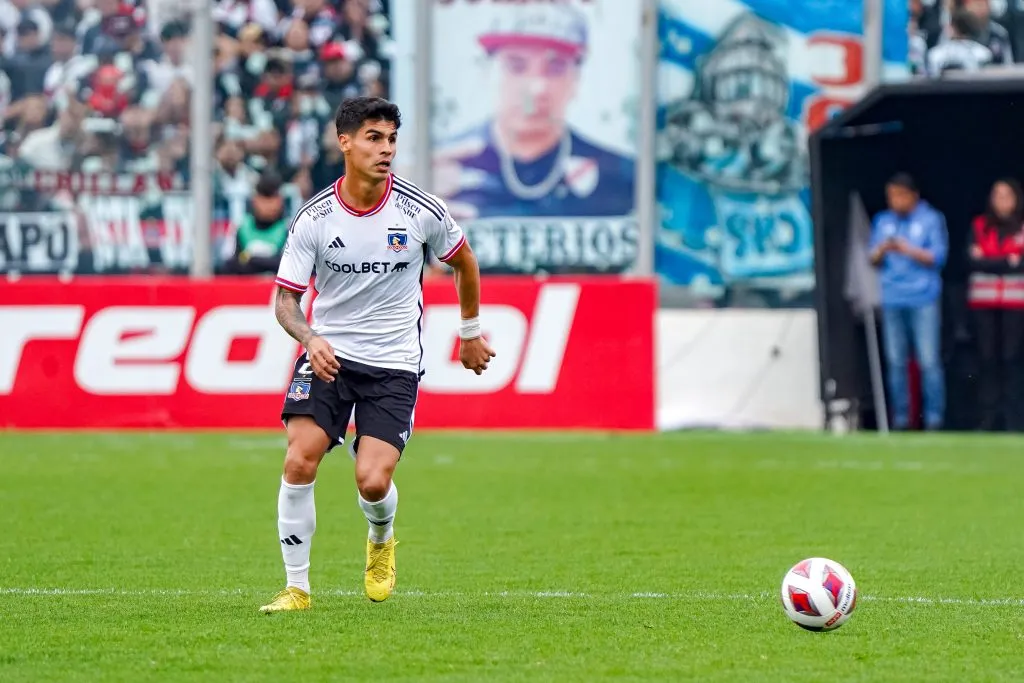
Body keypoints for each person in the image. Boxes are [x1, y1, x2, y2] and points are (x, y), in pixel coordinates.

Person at [260, 96, 496, 613]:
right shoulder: (314, 218)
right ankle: (296, 588)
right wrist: (310, 339)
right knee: (300, 458)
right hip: (329, 357)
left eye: (391, 139)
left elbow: (465, 261)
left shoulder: (419, 210)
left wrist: (471, 332)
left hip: (392, 364)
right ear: (344, 141)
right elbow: (286, 300)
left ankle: (381, 538)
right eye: (373, 137)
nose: (385, 148)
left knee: (371, 479)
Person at [432, 3, 634, 219]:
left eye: (556, 68)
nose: (537, 88)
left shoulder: (623, 176)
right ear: (485, 72)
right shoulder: (438, 167)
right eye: (516, 66)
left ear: (576, 79)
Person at [869, 173, 949, 431]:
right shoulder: (882, 221)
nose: (895, 201)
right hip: (892, 298)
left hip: (923, 297)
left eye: (900, 195)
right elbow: (872, 260)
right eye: (891, 196)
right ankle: (900, 419)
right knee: (895, 362)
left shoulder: (931, 219)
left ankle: (934, 418)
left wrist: (907, 249)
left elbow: (938, 257)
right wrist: (882, 250)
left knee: (928, 361)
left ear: (913, 195)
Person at [967, 178, 1024, 431]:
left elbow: (1019, 264)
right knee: (987, 360)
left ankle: (1014, 420)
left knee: (1012, 359)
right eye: (997, 195)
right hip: (984, 303)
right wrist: (1006, 261)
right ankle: (987, 419)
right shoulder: (979, 226)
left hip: (1015, 303)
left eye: (1006, 195)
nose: (1001, 201)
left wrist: (988, 259)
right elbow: (971, 262)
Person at [221, 170, 289, 275]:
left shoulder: (289, 228)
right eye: (265, 198)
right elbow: (229, 264)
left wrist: (253, 260)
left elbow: (290, 266)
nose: (270, 204)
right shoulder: (240, 226)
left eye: (274, 198)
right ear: (255, 200)